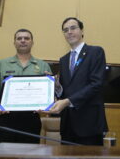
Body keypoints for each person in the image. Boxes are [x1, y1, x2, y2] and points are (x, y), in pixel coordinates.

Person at [45, 17, 108, 145]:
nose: (69, 32)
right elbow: (65, 93)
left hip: (89, 124)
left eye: (73, 28)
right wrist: (57, 87)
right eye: (65, 30)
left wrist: (68, 101)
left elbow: (96, 84)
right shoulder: (63, 59)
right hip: (68, 125)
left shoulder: (95, 52)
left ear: (82, 31)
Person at [0, 28, 52, 143]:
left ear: (32, 42)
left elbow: (51, 96)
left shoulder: (43, 66)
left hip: (31, 120)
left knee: (29, 153)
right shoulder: (2, 64)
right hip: (5, 119)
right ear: (14, 42)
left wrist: (46, 103)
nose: (23, 41)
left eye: (26, 38)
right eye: (19, 38)